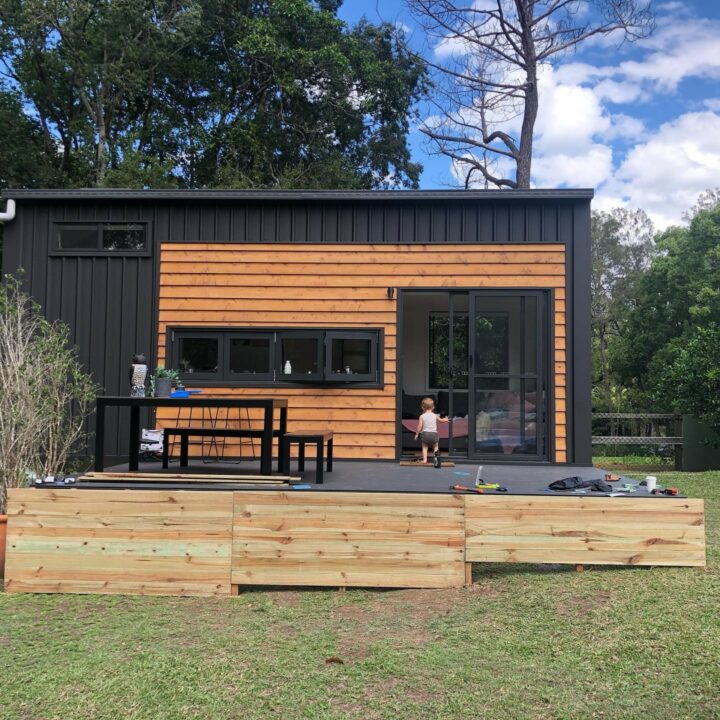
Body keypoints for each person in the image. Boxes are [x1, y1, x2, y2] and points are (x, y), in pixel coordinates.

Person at [414, 397, 449, 467]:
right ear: (433, 407)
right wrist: (446, 419)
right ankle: (436, 460)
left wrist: (417, 434)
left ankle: (424, 460)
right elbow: (441, 420)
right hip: (434, 434)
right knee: (436, 447)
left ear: (422, 407)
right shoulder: (435, 415)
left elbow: (419, 426)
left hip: (425, 434)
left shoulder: (422, 416)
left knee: (424, 447)